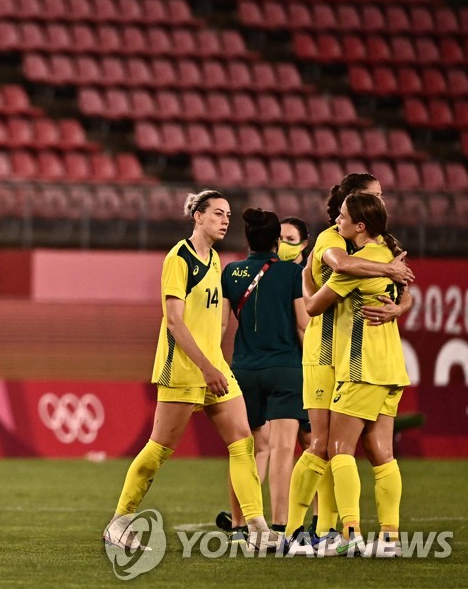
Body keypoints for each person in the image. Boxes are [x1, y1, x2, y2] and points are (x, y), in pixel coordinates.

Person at [103, 189, 280, 553]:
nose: (225, 219)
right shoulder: (179, 259)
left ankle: (257, 526)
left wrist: (216, 362)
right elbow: (174, 322)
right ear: (197, 216)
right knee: (160, 449)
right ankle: (119, 522)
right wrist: (205, 366)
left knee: (243, 441)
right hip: (183, 369)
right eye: (217, 213)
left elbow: (210, 320)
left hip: (213, 368)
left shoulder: (214, 259)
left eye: (227, 214)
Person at [283, 173, 414, 552]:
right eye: (375, 195)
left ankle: (337, 533)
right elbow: (341, 263)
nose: (382, 201)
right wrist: (392, 280)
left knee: (331, 447)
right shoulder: (334, 239)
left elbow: (317, 300)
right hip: (337, 359)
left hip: (355, 361)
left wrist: (306, 278)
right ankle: (362, 534)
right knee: (361, 449)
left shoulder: (369, 255)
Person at [220, 209, 309, 541]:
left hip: (243, 369)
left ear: (248, 239)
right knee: (285, 449)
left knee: (245, 450)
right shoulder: (291, 273)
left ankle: (240, 525)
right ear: (275, 240)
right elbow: (302, 324)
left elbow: (222, 327)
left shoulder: (230, 272)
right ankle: (281, 527)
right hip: (286, 369)